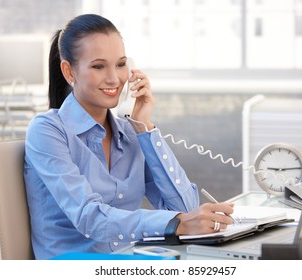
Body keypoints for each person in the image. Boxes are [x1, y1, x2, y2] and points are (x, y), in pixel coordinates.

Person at [24, 14, 234, 260]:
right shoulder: (47, 131)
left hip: (128, 258)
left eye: (121, 64)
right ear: (69, 71)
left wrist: (145, 128)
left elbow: (186, 209)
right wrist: (178, 222)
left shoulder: (129, 133)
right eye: (98, 66)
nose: (114, 78)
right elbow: (89, 217)